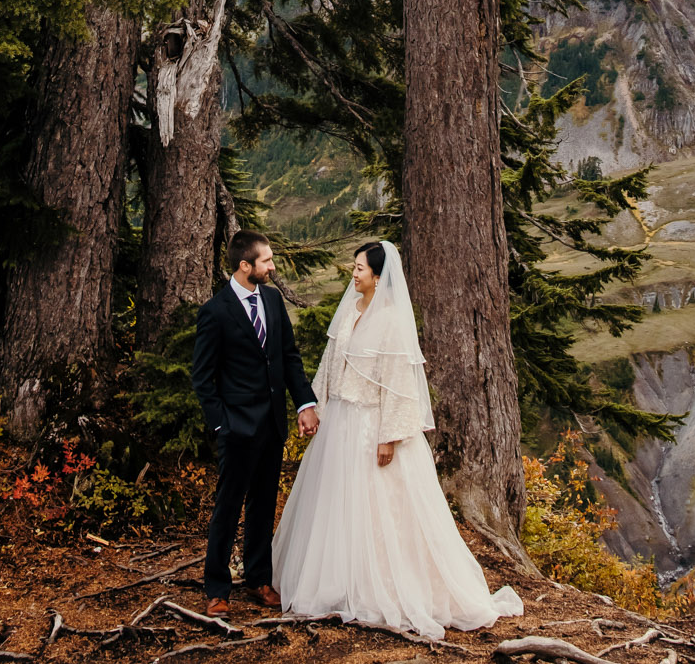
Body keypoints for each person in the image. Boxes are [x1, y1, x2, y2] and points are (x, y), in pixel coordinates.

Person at [272, 239, 524, 640]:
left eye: (359, 269)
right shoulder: (348, 312)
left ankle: (384, 588)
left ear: (377, 276)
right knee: (337, 503)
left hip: (373, 426)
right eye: (354, 268)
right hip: (340, 423)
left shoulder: (391, 321)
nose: (353, 274)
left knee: (380, 509)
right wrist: (316, 405)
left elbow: (398, 384)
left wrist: (389, 436)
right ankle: (338, 581)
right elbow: (331, 363)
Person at [192, 230, 319, 614]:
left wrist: (304, 404)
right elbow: (202, 377)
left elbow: (288, 357)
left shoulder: (274, 300)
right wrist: (221, 425)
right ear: (245, 266)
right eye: (266, 261)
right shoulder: (215, 311)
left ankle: (259, 579)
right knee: (227, 508)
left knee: (264, 506)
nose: (272, 266)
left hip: (272, 426)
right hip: (236, 428)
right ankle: (216, 588)